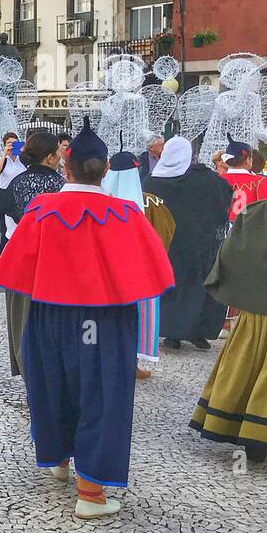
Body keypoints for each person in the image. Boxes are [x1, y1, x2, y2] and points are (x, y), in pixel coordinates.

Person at [0, 118, 174, 520]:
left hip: (48, 318)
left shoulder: (42, 208)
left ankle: (58, 460)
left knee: (52, 383)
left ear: (65, 167)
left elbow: (15, 268)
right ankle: (90, 493)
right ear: (105, 168)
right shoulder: (126, 213)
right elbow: (152, 274)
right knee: (101, 394)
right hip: (104, 322)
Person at [190, 157, 267, 463]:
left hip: (255, 316)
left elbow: (230, 255)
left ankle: (252, 440)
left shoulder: (253, 213)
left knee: (248, 370)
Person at [142, 136, 233, 350]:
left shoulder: (152, 180)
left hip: (166, 245)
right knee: (196, 289)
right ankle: (196, 331)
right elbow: (225, 194)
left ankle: (172, 332)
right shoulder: (205, 179)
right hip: (199, 245)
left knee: (171, 288)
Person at [102, 150, 175, 381]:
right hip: (136, 273)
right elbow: (166, 233)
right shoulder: (151, 203)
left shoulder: (100, 201)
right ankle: (129, 363)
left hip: (104, 272)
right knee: (133, 318)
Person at [0, 132, 65, 378]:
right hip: (53, 263)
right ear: (49, 157)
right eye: (57, 152)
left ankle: (29, 375)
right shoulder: (62, 186)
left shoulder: (14, 184)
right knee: (51, 326)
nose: (60, 157)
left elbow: (5, 223)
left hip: (19, 260)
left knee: (22, 323)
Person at [218, 138, 267, 221]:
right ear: (248, 160)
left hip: (220, 230)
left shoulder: (215, 181)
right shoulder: (261, 182)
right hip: (251, 230)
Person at [0, 131, 25, 255]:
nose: (12, 146)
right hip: (6, 197)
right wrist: (4, 154)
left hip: (21, 197)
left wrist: (23, 151)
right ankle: (3, 257)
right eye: (9, 143)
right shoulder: (2, 159)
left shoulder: (22, 159)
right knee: (6, 231)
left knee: (20, 230)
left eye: (14, 143)